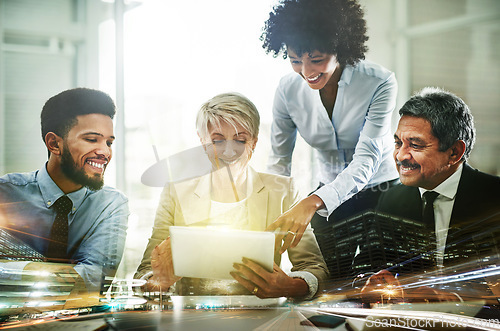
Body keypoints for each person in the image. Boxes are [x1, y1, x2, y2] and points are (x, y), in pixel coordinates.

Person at [134, 92, 328, 300]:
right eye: (217, 141)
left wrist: (290, 287)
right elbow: (145, 272)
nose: (229, 151)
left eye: (240, 140)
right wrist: (158, 283)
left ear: (253, 142)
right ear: (203, 142)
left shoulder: (282, 191)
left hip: (261, 315)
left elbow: (314, 267)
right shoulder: (176, 192)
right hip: (193, 316)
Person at [260, 0, 399, 255]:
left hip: (383, 191)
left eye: (316, 59)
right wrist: (265, 210)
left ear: (340, 48)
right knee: (329, 275)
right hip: (327, 191)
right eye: (295, 60)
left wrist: (314, 200)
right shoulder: (287, 90)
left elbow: (367, 159)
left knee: (378, 275)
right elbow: (280, 162)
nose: (306, 71)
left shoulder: (379, 82)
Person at [358, 87, 500, 304]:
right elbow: (364, 268)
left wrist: (455, 297)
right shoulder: (391, 200)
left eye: (415, 145)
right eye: (398, 143)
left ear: (454, 152)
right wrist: (371, 281)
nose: (401, 155)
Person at [0, 88, 129, 292]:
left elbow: (93, 282)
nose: (105, 152)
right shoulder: (5, 194)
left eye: (109, 142)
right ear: (54, 144)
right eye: (91, 139)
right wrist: (43, 270)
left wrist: (19, 268)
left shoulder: (111, 204)